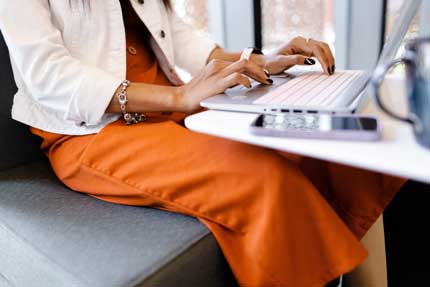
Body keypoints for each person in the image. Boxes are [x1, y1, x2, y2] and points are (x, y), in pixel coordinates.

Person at [0, 0, 404, 286]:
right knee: (262, 177)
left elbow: (191, 45)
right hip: (93, 129)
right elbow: (46, 75)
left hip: (169, 109)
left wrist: (265, 60)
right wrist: (178, 98)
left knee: (330, 146)